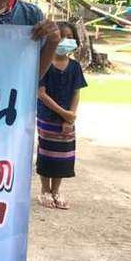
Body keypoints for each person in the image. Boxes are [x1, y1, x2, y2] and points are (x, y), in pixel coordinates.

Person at [36, 22, 87, 210]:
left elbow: (76, 93)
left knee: (63, 155)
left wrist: (70, 116)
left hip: (67, 120)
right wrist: (63, 113)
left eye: (69, 37)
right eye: (61, 36)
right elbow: (41, 93)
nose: (65, 41)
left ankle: (56, 190)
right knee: (47, 152)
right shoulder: (44, 65)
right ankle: (45, 190)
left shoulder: (75, 67)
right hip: (47, 118)